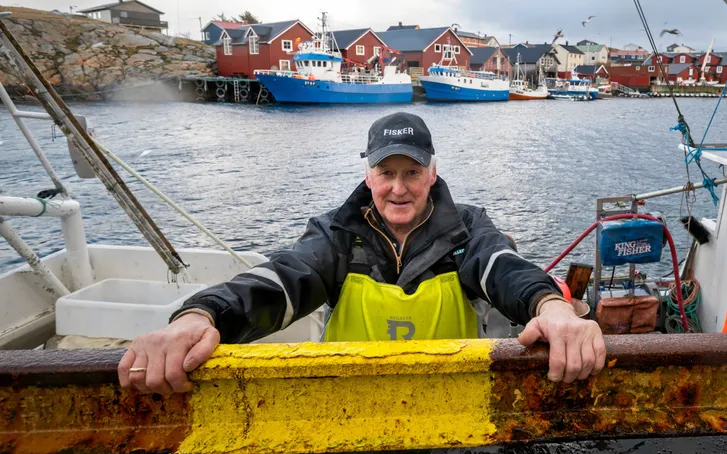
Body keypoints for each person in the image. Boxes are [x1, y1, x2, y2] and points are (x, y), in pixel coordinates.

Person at [118, 112, 606, 394]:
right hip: (347, 399)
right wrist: (199, 315)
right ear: (368, 174)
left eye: (411, 173)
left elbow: (501, 267)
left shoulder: (468, 228)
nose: (398, 188)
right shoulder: (335, 234)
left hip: (455, 397)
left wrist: (552, 307)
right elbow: (283, 279)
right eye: (385, 173)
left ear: (431, 174)